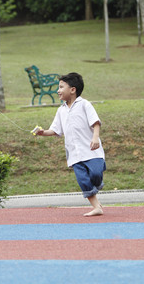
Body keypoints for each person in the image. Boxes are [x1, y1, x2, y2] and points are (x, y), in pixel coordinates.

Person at [35, 72, 106, 216]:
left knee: (96, 173)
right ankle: (96, 207)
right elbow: (55, 130)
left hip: (92, 150)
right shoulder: (61, 110)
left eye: (61, 87)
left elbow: (96, 122)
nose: (58, 90)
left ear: (72, 90)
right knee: (83, 181)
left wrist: (95, 138)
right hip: (74, 155)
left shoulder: (84, 104)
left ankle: (97, 185)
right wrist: (42, 132)